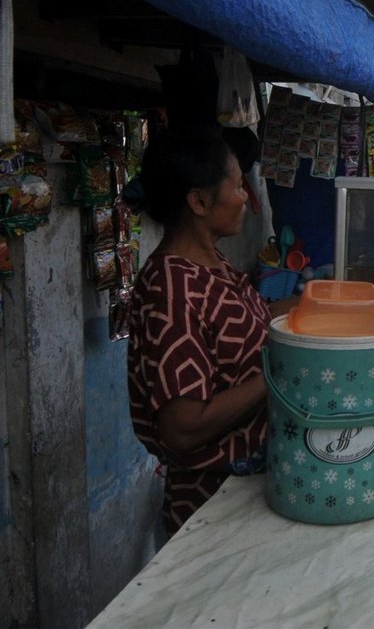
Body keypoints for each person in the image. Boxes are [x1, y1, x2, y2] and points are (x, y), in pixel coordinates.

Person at [128, 126, 271, 537]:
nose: (245, 196)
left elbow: (242, 323)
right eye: (237, 185)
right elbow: (183, 426)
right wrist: (275, 375)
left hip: (249, 491)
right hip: (211, 508)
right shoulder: (170, 289)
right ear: (199, 201)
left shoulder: (212, 264)